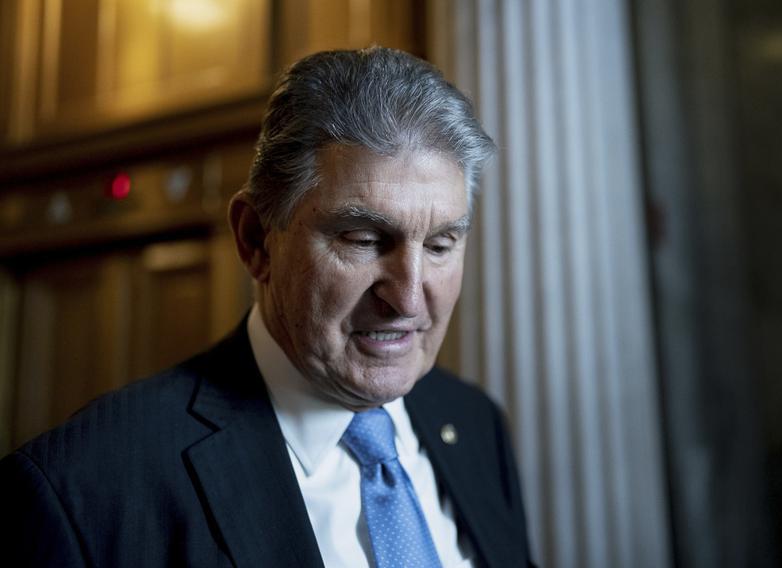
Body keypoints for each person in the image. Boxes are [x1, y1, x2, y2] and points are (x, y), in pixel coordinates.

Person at [0, 47, 532, 567]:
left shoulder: (473, 422)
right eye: (363, 239)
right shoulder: (83, 489)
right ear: (256, 239)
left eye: (440, 245)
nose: (409, 298)